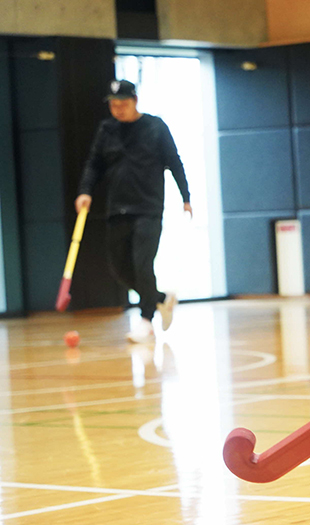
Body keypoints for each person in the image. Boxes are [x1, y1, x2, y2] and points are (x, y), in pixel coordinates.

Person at [76, 79, 191, 343]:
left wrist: (186, 197)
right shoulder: (106, 130)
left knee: (142, 263)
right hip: (117, 208)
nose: (118, 109)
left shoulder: (155, 127)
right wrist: (85, 191)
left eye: (123, 104)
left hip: (148, 208)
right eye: (114, 105)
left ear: (135, 101)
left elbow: (174, 161)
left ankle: (146, 319)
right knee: (119, 268)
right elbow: (94, 164)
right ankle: (160, 299)